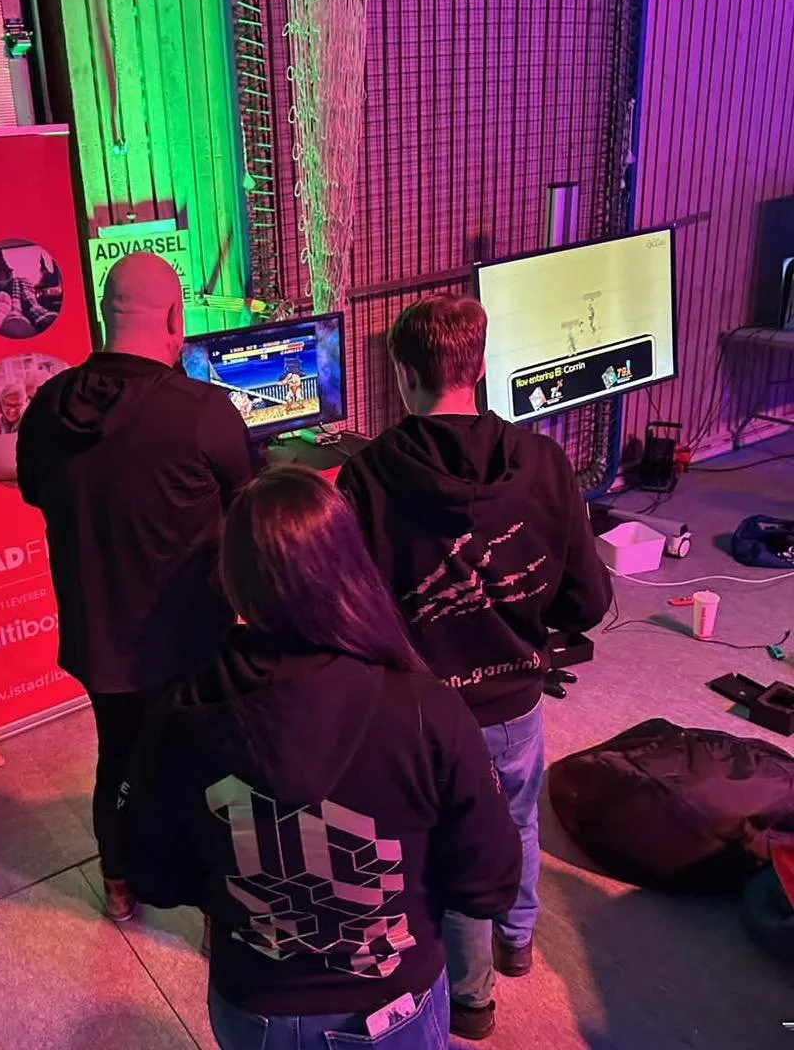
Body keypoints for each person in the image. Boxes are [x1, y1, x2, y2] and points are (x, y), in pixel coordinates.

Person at [120, 466, 522, 1050]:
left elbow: (152, 874)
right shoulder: (426, 710)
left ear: (231, 580)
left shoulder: (177, 720)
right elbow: (489, 882)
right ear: (350, 567)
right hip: (393, 1003)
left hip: (253, 1002)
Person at [335, 295, 613, 1041]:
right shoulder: (545, 461)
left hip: (418, 710)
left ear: (402, 374)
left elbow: (350, 610)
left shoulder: (366, 477)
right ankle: (516, 942)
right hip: (516, 697)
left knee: (442, 841)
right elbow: (588, 600)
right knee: (516, 817)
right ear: (481, 367)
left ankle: (472, 999)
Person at [16, 251, 258, 920]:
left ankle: (119, 885)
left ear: (104, 315)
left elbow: (35, 491)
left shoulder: (48, 405)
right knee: (212, 770)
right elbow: (247, 505)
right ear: (175, 318)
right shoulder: (202, 411)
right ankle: (217, 914)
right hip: (193, 641)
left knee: (118, 759)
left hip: (98, 636)